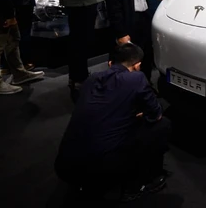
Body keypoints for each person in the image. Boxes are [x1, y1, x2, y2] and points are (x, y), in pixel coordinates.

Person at [54, 42, 170, 202]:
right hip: (102, 171)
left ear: (110, 63)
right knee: (162, 125)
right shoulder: (136, 78)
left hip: (64, 167)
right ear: (137, 66)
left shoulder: (92, 79)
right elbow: (156, 114)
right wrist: (141, 116)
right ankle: (137, 185)